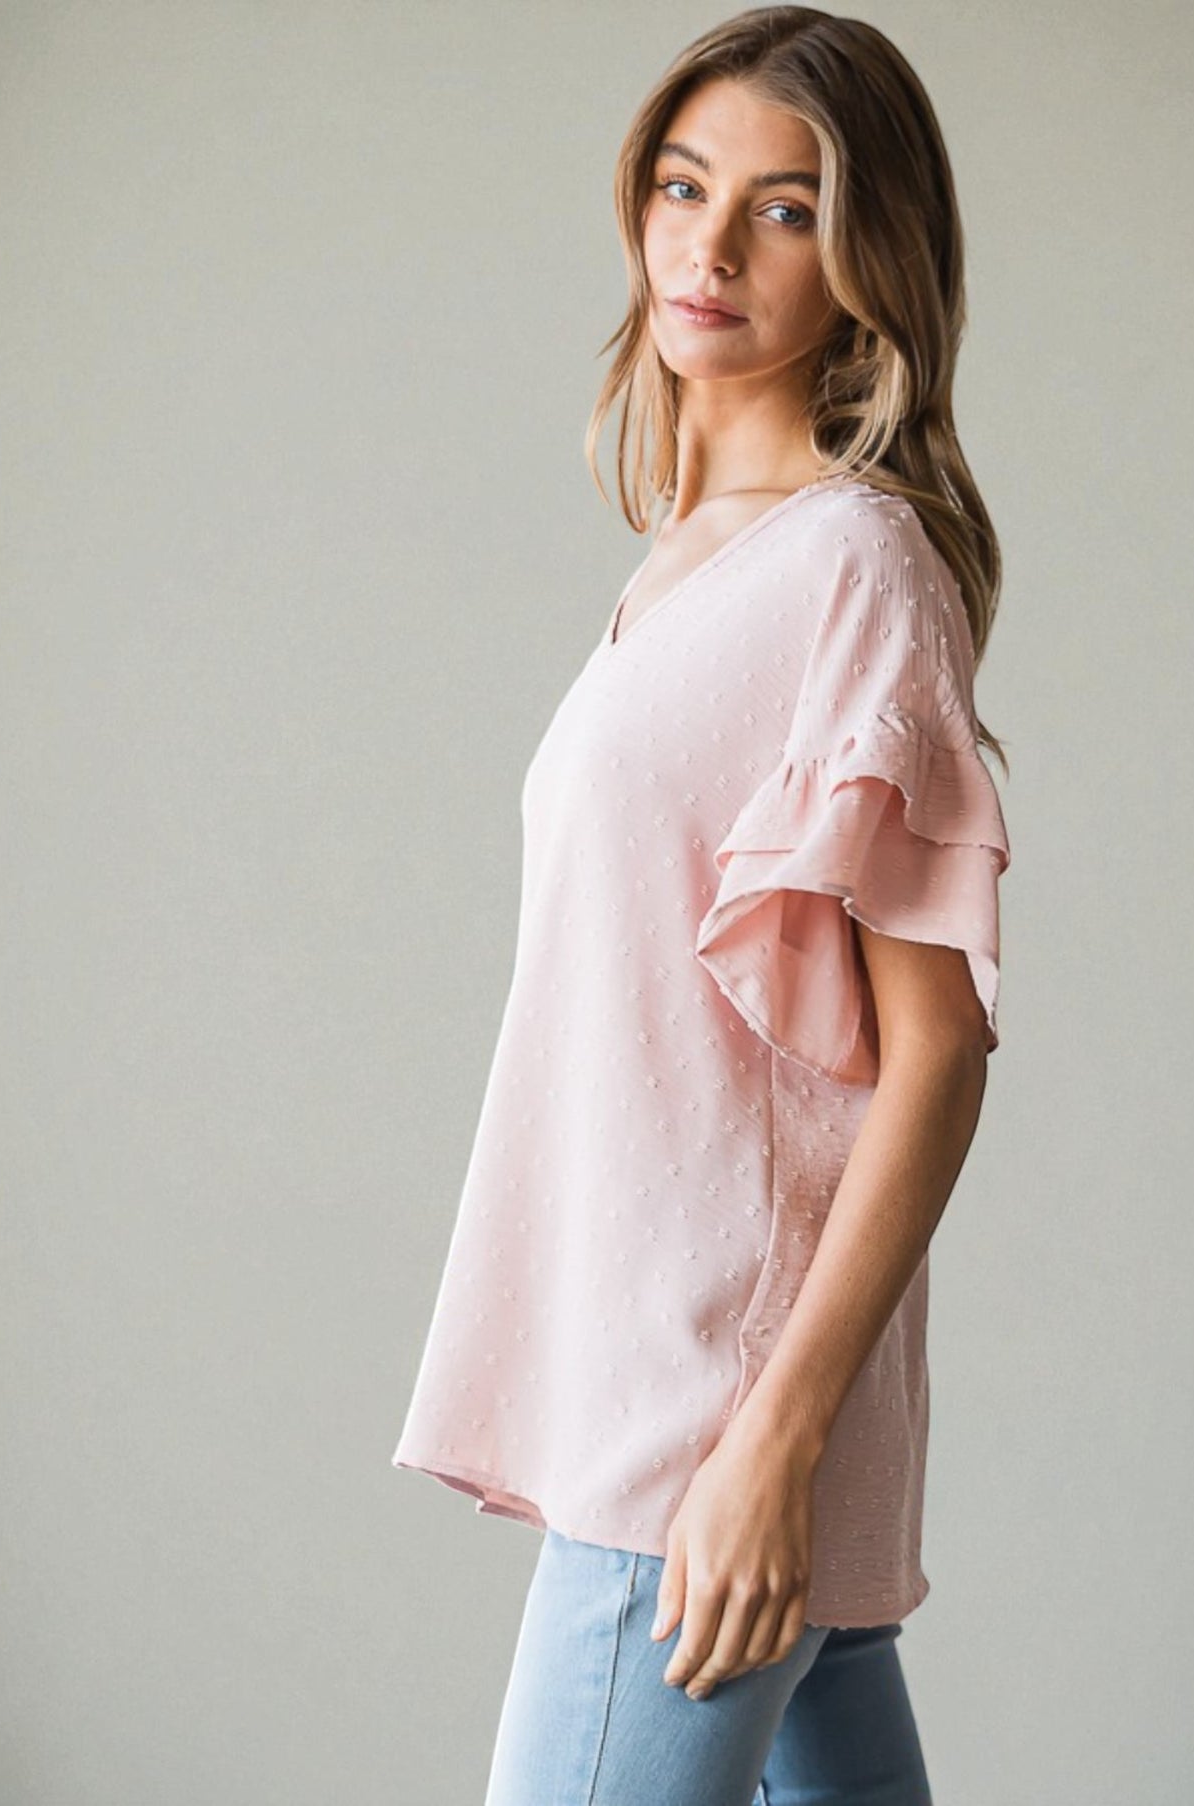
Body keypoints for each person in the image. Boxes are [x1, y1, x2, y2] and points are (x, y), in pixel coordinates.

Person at [391, 9, 1012, 1801]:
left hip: (706, 1421)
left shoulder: (853, 563)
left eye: (785, 207)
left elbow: (936, 1056)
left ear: (870, 255)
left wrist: (768, 1439)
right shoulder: (691, 561)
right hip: (697, 1404)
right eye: (683, 186)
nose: (711, 245)